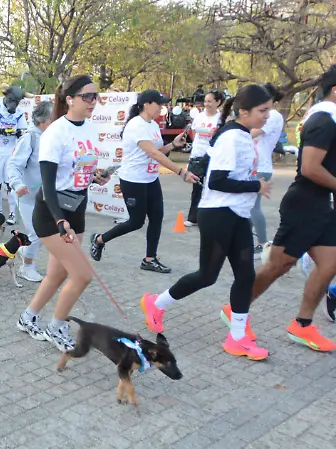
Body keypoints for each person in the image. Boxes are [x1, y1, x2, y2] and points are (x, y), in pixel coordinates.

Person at [141, 85, 274, 360]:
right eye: (262, 110)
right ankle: (156, 303)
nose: (267, 115)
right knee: (207, 276)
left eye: (268, 110)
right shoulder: (232, 138)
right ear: (244, 111)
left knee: (246, 276)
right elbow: (217, 181)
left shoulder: (242, 134)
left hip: (237, 215)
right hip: (219, 214)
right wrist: (256, 186)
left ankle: (237, 337)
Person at [15, 75, 111, 349]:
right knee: (82, 275)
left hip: (77, 208)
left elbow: (79, 171)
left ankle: (27, 318)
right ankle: (57, 327)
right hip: (52, 213)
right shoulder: (55, 132)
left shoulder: (89, 129)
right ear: (70, 99)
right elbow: (48, 184)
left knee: (58, 274)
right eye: (87, 96)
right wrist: (59, 220)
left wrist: (97, 177)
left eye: (95, 96)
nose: (93, 101)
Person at [245, 66, 336, 352]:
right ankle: (236, 310)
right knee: (278, 265)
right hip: (305, 205)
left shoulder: (329, 117)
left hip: (322, 206)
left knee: (330, 263)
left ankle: (302, 324)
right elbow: (310, 167)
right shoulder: (323, 119)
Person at [89, 90, 198, 273]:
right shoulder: (136, 125)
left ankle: (149, 259)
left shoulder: (152, 125)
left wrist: (173, 145)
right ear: (146, 104)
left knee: (157, 218)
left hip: (150, 179)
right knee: (136, 222)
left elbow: (157, 151)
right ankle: (99, 239)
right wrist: (181, 172)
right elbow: (153, 153)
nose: (162, 108)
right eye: (159, 104)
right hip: (133, 180)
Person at [7, 100, 54, 282]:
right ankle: (26, 267)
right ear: (44, 120)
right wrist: (17, 184)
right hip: (27, 196)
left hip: (47, 197)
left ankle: (24, 250)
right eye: (53, 118)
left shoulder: (55, 138)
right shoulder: (30, 138)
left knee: (47, 233)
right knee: (36, 233)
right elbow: (14, 165)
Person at [0, 87, 27, 224]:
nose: (14, 105)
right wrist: (1, 131)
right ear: (6, 97)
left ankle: (13, 213)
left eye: (17, 102)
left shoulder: (19, 112)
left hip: (11, 153)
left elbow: (23, 130)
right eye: (12, 101)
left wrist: (19, 133)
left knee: (10, 183)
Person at [250, 84, 285, 253]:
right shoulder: (264, 115)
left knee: (253, 206)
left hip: (261, 166)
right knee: (248, 206)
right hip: (254, 165)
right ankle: (246, 240)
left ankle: (262, 243)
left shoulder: (273, 116)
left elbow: (252, 133)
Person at [185, 90, 224, 226]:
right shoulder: (199, 116)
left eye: (210, 101)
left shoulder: (221, 118)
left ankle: (212, 217)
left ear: (218, 102)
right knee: (197, 187)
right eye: (205, 101)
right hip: (198, 154)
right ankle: (193, 217)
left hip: (213, 155)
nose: (206, 104)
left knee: (212, 186)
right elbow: (194, 132)